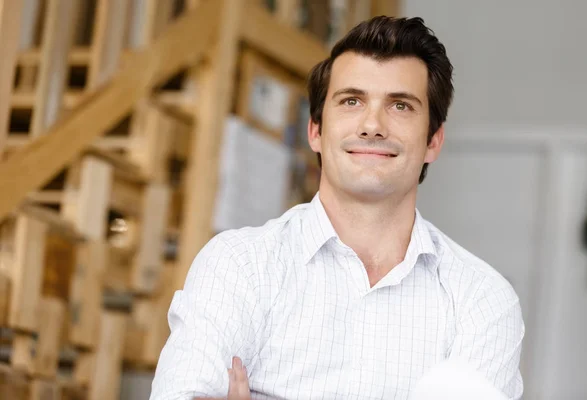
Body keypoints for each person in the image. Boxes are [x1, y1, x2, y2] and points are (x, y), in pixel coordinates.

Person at [150, 15, 525, 400]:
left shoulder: (482, 301)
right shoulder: (238, 265)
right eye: (351, 101)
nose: (372, 125)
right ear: (316, 130)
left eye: (400, 105)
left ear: (433, 140)